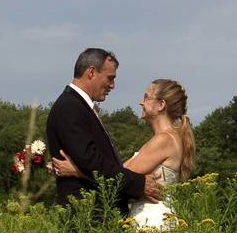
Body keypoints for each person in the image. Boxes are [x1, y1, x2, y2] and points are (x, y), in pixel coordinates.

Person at [53, 78, 195, 229]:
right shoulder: (168, 138)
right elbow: (117, 172)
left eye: (147, 97)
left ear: (161, 105)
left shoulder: (164, 140)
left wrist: (76, 171)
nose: (141, 102)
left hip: (151, 221)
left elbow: (119, 178)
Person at [46, 48, 159, 217]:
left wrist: (78, 171)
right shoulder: (70, 107)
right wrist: (138, 183)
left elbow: (93, 164)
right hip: (90, 217)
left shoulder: (77, 107)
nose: (112, 85)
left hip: (98, 215)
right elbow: (92, 162)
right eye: (110, 78)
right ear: (91, 72)